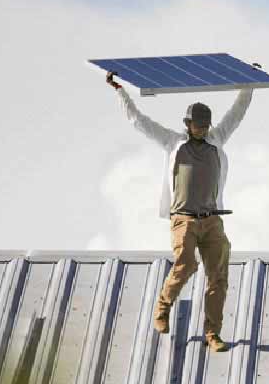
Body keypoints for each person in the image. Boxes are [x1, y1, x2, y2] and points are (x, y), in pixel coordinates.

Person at [106, 71, 253, 352]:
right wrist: (120, 91)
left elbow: (237, 112)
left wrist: (249, 84)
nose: (202, 129)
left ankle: (213, 333)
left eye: (205, 126)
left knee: (218, 277)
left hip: (212, 221)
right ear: (187, 124)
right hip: (183, 220)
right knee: (185, 265)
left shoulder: (217, 140)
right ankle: (163, 306)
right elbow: (139, 121)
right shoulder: (174, 142)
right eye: (197, 126)